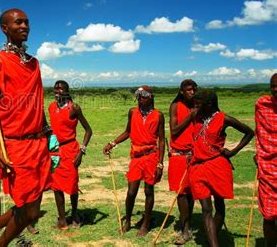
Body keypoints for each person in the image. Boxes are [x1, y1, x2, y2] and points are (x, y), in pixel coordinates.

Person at [0, 8, 51, 246]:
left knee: (32, 209)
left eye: (27, 22)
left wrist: (48, 132)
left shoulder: (35, 63)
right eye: (18, 22)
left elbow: (36, 101)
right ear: (4, 28)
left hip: (39, 143)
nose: (25, 26)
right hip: (15, 145)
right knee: (27, 211)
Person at [189, 89, 254, 247]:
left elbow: (249, 132)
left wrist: (233, 152)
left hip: (217, 166)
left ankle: (212, 236)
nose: (195, 107)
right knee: (206, 208)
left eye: (199, 104)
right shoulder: (196, 117)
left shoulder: (223, 118)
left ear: (210, 103)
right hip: (197, 166)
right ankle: (214, 243)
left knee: (219, 206)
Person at [103, 85, 165, 236]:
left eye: (144, 96)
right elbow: (128, 132)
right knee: (131, 192)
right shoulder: (132, 112)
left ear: (151, 97)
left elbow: (162, 140)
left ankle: (145, 223)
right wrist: (113, 143)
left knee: (148, 191)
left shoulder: (158, 115)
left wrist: (160, 163)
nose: (141, 99)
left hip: (151, 156)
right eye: (139, 96)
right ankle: (128, 220)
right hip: (136, 157)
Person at [48, 80, 92, 230]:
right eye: (55, 88)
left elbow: (88, 130)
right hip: (55, 150)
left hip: (71, 150)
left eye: (61, 89)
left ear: (67, 91)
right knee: (56, 186)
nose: (57, 91)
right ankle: (62, 220)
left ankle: (74, 215)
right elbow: (53, 128)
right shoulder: (51, 107)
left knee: (72, 185)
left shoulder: (74, 108)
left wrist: (82, 151)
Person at [168, 79, 197, 244]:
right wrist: (190, 117)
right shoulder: (175, 106)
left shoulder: (198, 106)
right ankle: (185, 228)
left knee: (191, 192)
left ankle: (188, 223)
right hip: (179, 155)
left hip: (195, 155)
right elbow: (174, 130)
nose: (192, 92)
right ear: (181, 92)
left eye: (194, 89)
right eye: (188, 90)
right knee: (181, 192)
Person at [255, 73, 277, 247]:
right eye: (272, 86)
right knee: (269, 215)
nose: (275, 89)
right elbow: (260, 134)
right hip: (268, 167)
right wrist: (260, 154)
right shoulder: (262, 105)